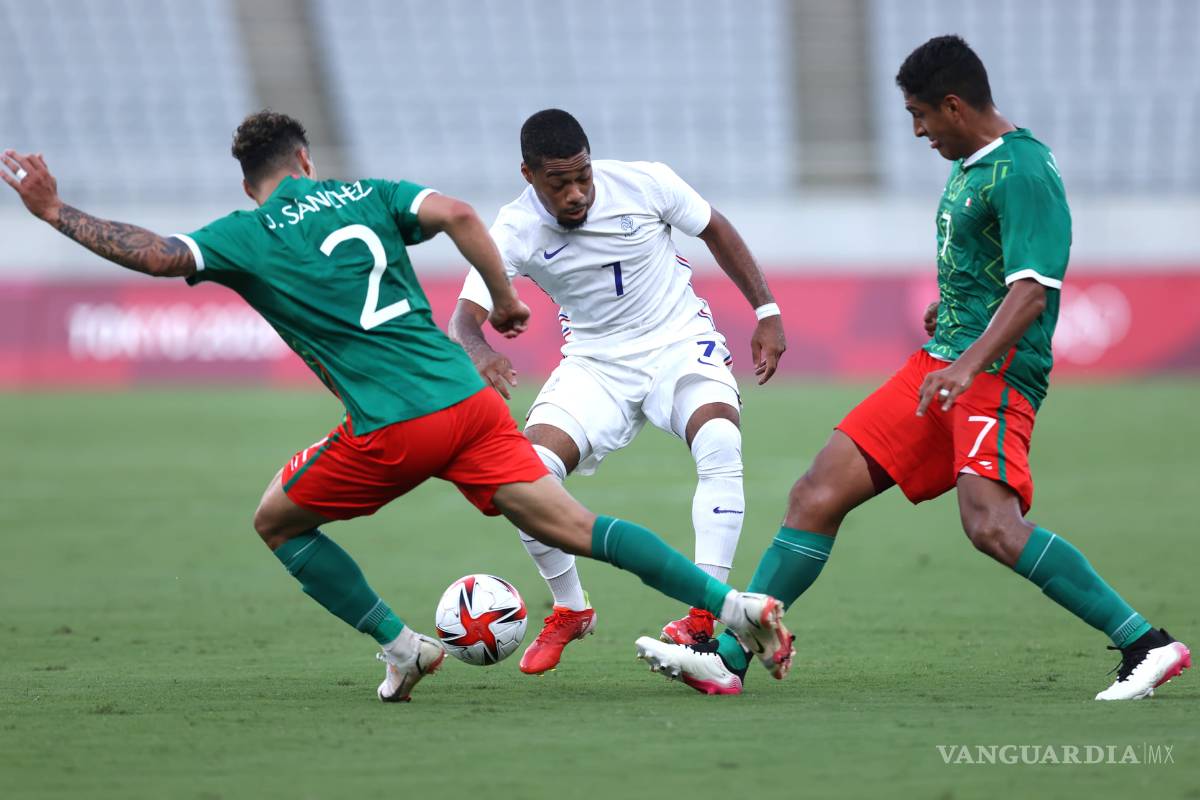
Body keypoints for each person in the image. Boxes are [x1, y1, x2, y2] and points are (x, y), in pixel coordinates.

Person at [1, 111, 796, 703]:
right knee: (576, 524)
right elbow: (457, 214)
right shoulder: (365, 193)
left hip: (395, 422)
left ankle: (403, 646)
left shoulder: (248, 231)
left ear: (251, 183)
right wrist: (507, 303)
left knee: (277, 521)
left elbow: (158, 255)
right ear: (307, 160)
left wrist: (52, 213)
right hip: (469, 405)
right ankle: (736, 604)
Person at [635, 35, 1190, 699]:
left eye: (921, 115)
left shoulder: (1025, 172)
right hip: (944, 361)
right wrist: (949, 318)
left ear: (954, 106)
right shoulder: (971, 164)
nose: (919, 130)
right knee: (817, 492)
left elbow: (1033, 290)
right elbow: (991, 276)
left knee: (991, 525)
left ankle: (1146, 644)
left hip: (994, 373)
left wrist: (969, 363)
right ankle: (729, 658)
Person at [448, 109, 787, 675]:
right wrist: (480, 351)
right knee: (520, 474)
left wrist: (767, 311)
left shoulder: (645, 182)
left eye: (583, 176)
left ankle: (703, 614)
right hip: (597, 363)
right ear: (529, 175)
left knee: (721, 440)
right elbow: (463, 319)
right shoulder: (512, 230)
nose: (577, 193)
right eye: (560, 184)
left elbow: (716, 228)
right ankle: (571, 608)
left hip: (679, 341)